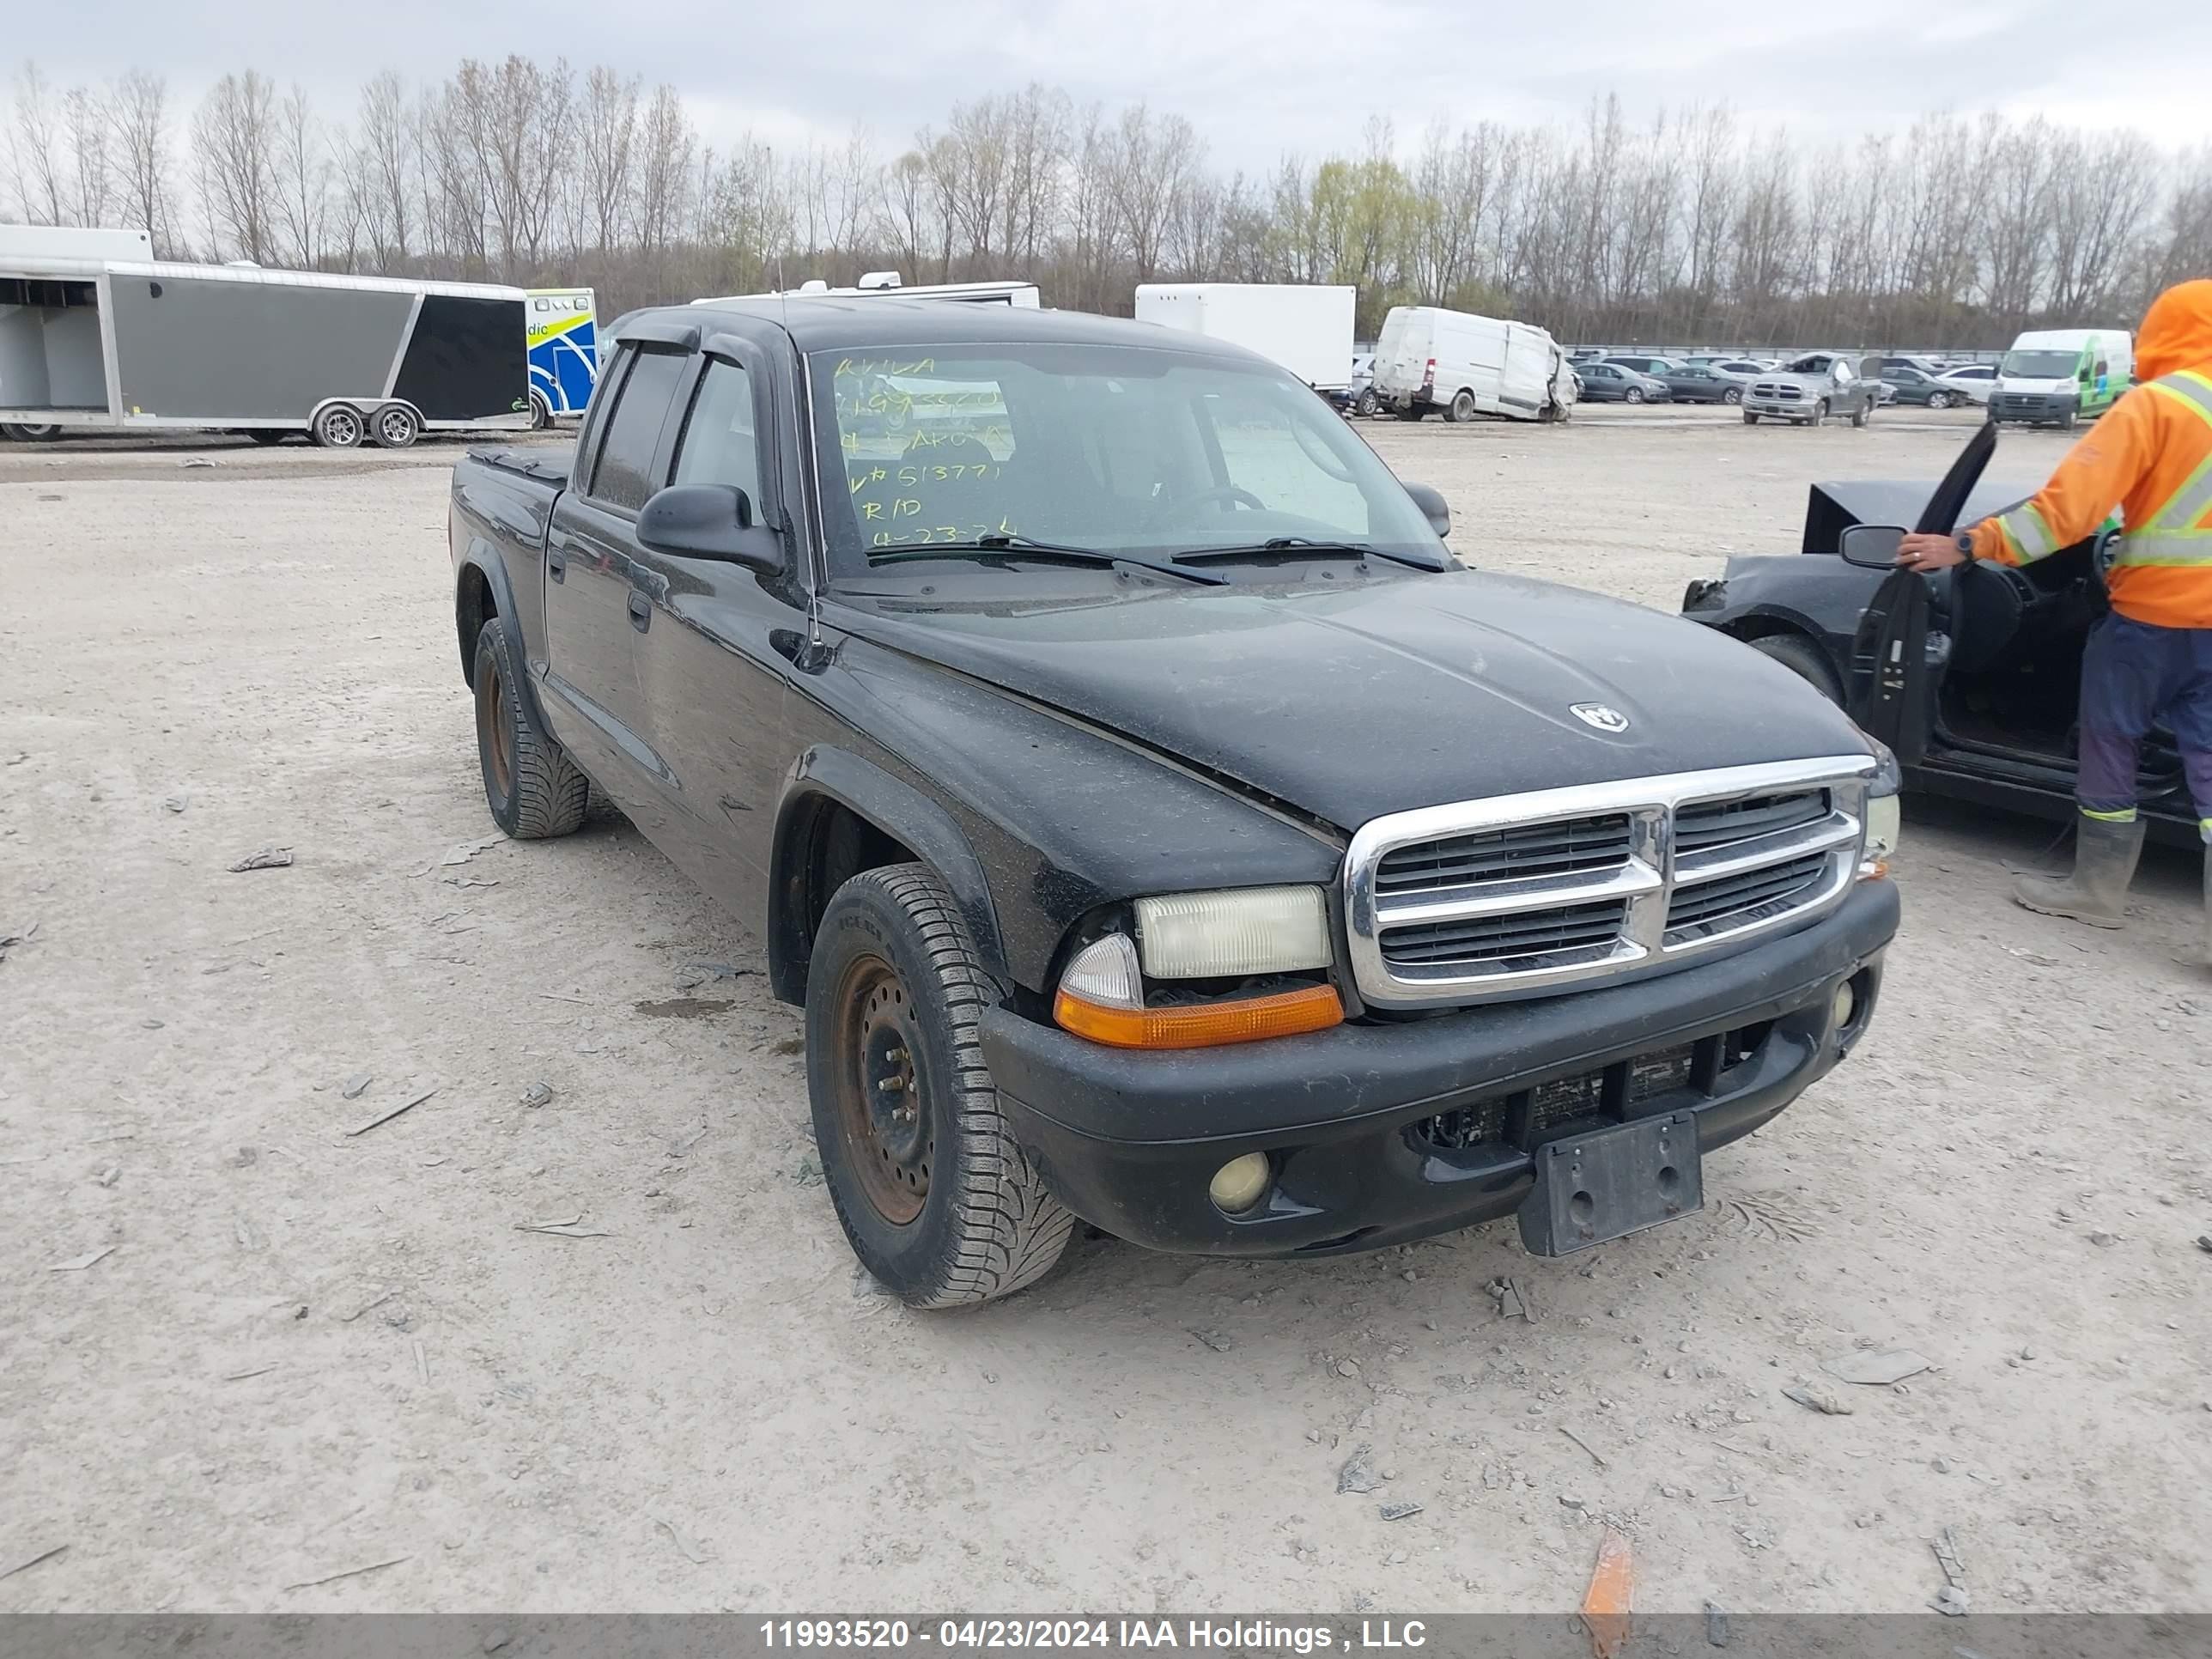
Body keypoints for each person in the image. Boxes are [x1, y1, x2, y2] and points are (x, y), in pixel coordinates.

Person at [1898, 279, 2212, 953]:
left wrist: (1967, 545)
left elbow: (2063, 516)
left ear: (2164, 333)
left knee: (2110, 740)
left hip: (2151, 623)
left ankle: (2096, 891)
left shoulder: (2157, 406)